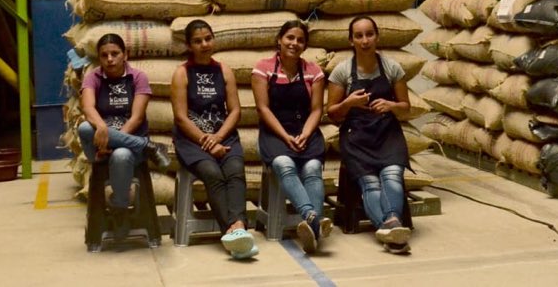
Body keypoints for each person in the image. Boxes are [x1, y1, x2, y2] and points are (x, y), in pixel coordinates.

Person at [170, 20, 258, 260]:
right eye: (197, 41)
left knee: (235, 169)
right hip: (191, 140)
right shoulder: (181, 73)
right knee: (212, 172)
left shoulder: (224, 70)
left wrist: (218, 137)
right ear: (189, 45)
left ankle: (238, 228)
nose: (204, 44)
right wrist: (206, 142)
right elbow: (180, 117)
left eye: (208, 38)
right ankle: (233, 230)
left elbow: (235, 111)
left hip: (224, 135)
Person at [326, 15, 413, 254]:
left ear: (377, 37)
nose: (365, 41)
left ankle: (390, 225)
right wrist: (349, 103)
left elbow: (406, 108)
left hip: (387, 134)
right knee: (370, 183)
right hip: (357, 137)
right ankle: (392, 229)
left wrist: (391, 106)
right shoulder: (342, 71)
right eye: (359, 36)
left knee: (392, 175)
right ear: (351, 40)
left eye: (369, 34)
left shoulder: (392, 68)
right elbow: (331, 113)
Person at [79, 33, 173, 239]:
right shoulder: (93, 77)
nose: (110, 59)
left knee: (121, 154)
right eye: (104, 55)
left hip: (128, 147)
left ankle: (120, 210)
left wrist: (116, 141)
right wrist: (101, 127)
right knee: (85, 128)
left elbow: (137, 117)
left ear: (125, 55)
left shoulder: (137, 78)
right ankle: (147, 146)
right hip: (99, 147)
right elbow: (87, 107)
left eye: (115, 54)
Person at [251, 20, 331, 254]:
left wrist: (305, 134)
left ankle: (311, 229)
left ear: (305, 45)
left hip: (306, 131)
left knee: (313, 168)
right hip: (275, 132)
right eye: (290, 38)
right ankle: (312, 218)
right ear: (279, 39)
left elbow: (317, 110)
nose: (294, 43)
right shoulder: (263, 68)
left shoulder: (314, 71)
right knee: (284, 164)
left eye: (300, 40)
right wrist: (286, 137)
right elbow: (263, 109)